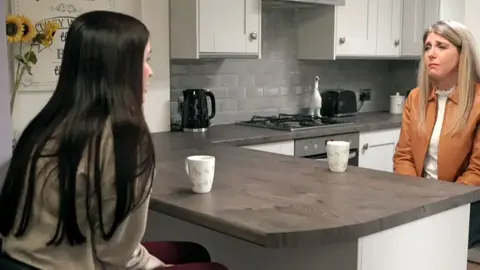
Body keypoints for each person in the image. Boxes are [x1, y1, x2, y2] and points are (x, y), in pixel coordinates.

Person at [0, 10, 227, 270]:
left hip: (18, 260)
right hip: (74, 264)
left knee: (193, 252)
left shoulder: (45, 124)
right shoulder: (125, 137)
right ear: (119, 69)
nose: (150, 72)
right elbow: (117, 255)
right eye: (145, 60)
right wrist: (158, 265)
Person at [393, 20, 480, 248]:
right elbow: (404, 157)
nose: (431, 53)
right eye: (428, 47)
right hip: (419, 199)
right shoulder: (415, 97)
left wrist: (440, 201)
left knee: (435, 244)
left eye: (442, 46)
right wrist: (417, 196)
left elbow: (477, 170)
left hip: (468, 202)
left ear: (463, 54)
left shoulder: (478, 101)